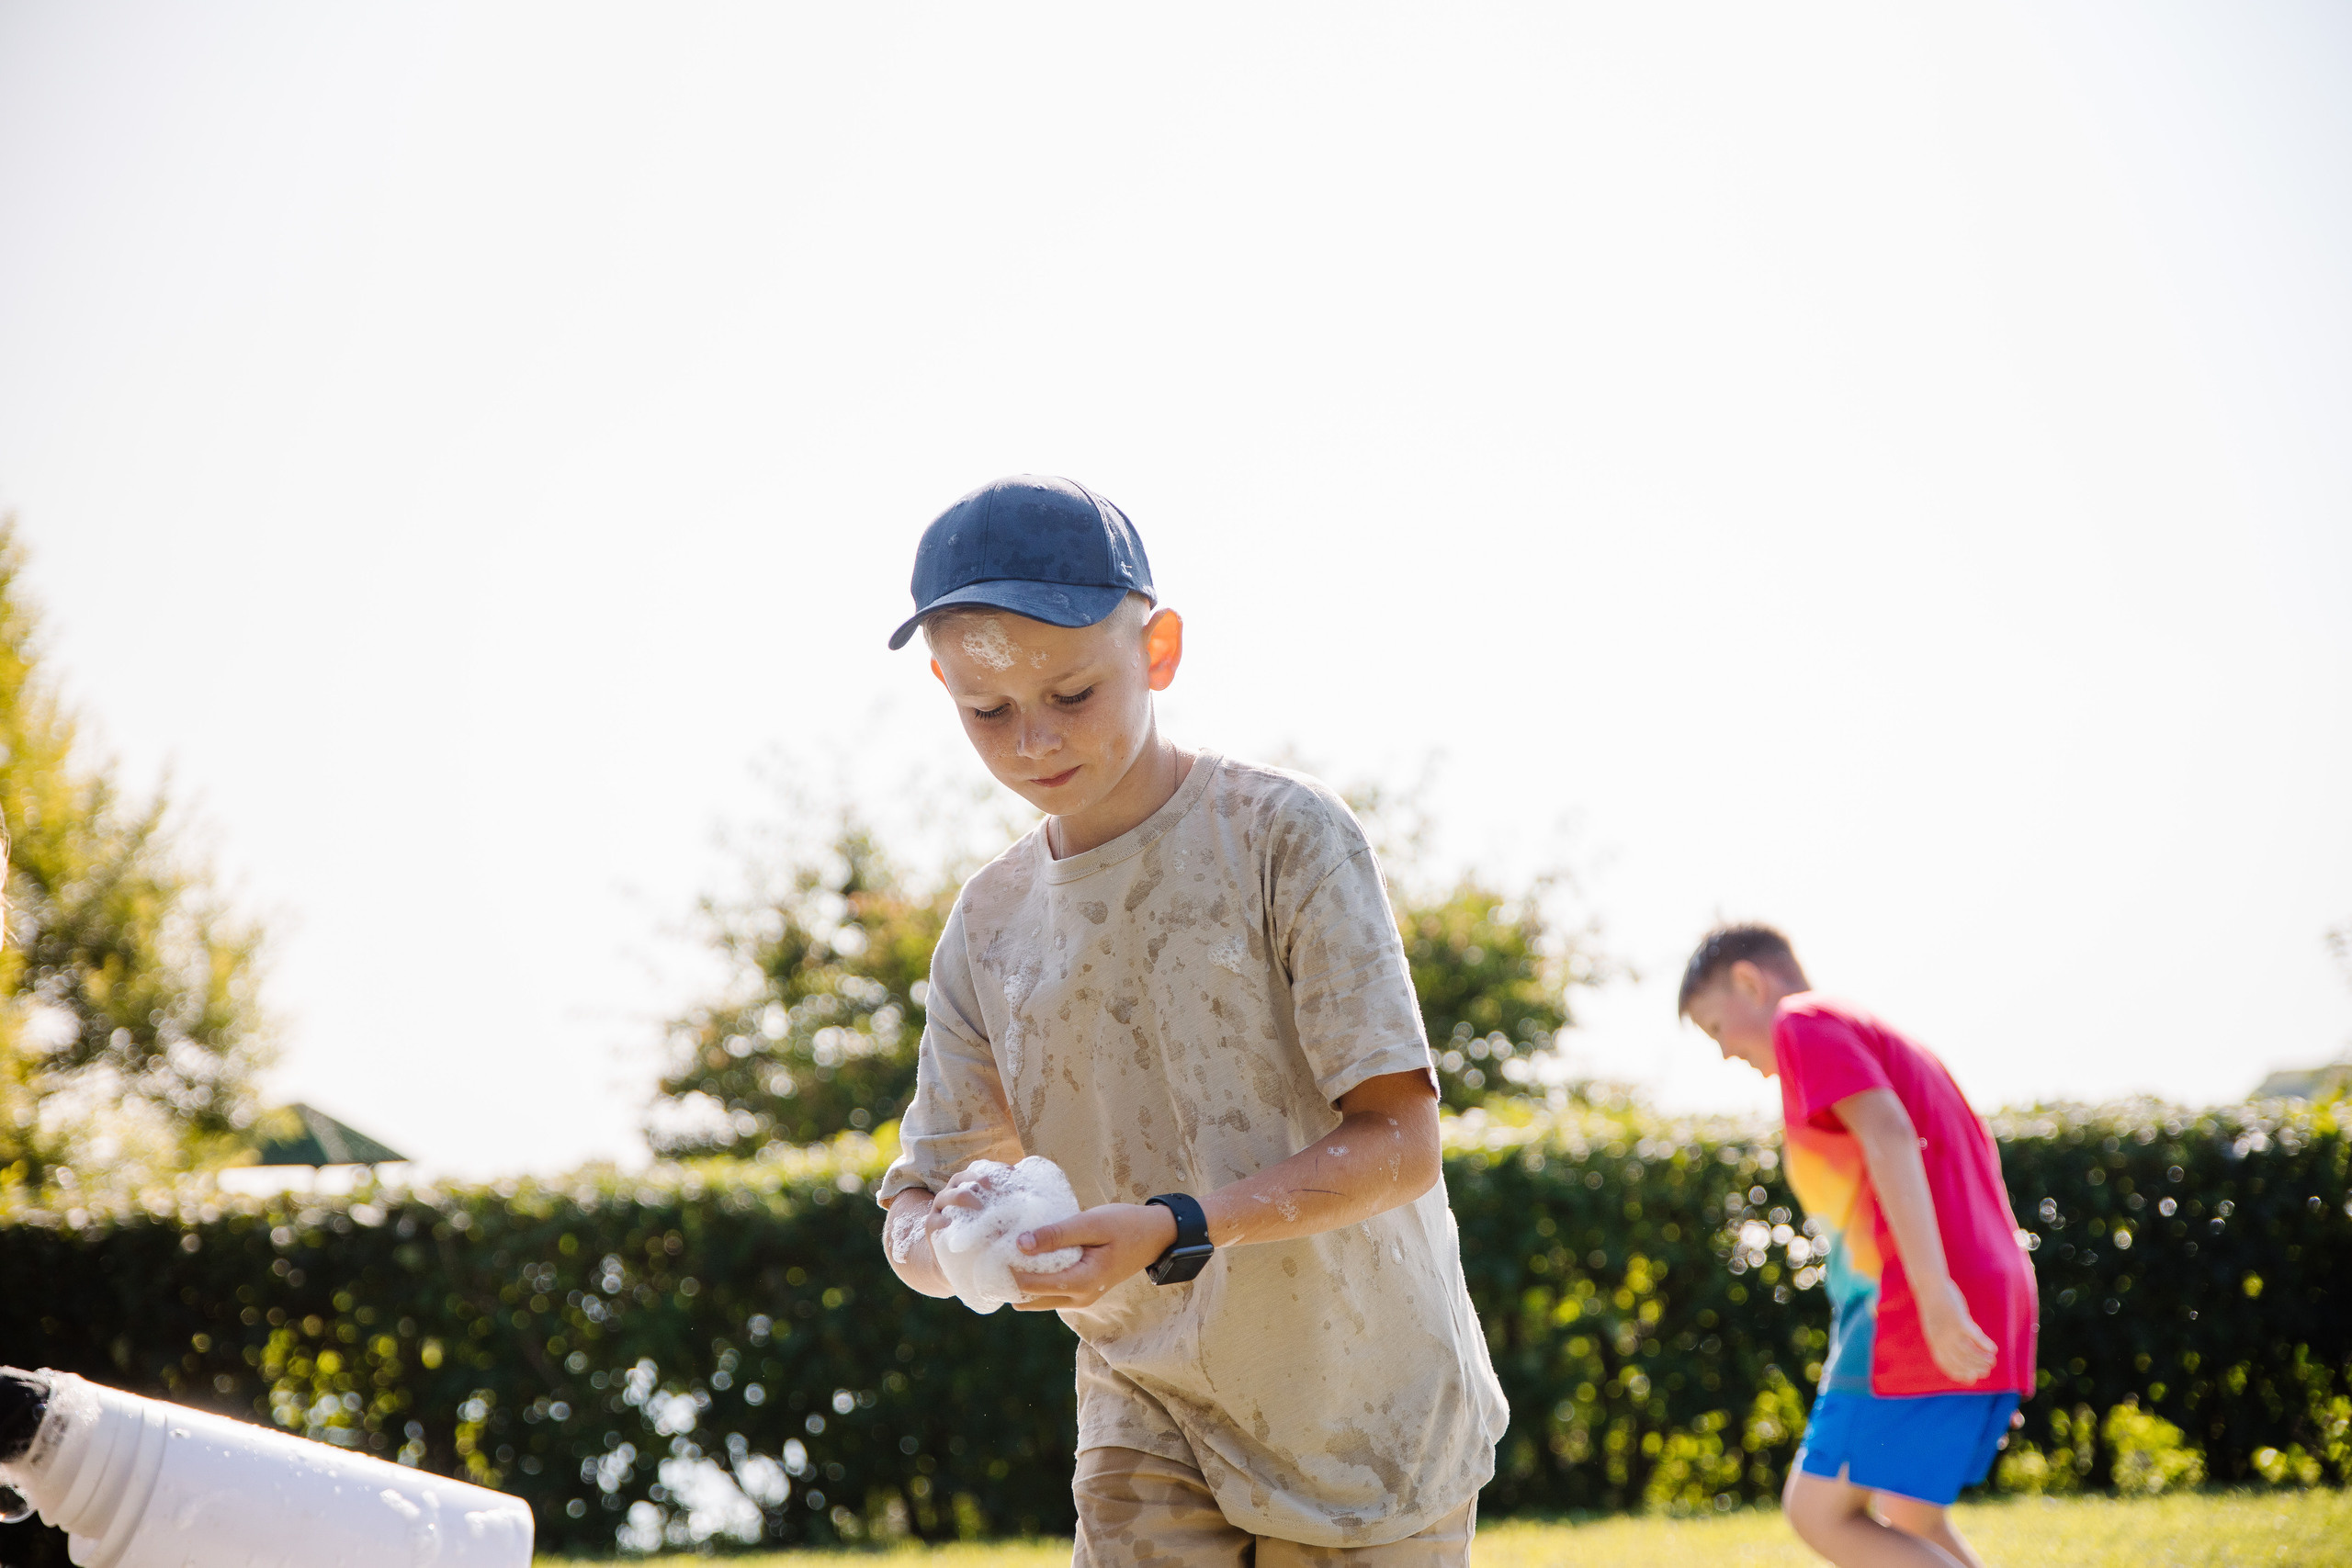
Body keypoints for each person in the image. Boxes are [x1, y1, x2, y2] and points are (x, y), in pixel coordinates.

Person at [873, 475, 1507, 1567]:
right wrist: (959, 1247)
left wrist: (1173, 1226)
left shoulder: (1284, 838)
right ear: (944, 684)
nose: (1032, 741)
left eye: (1072, 693)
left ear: (1157, 650)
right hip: (1143, 1398)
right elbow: (915, 1209)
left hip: (1366, 1409)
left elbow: (1402, 1146)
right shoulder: (988, 922)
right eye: (988, 711)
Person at [1678, 924, 2036, 1568]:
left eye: (1714, 1027)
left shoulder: (1801, 1021)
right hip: (1981, 1290)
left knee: (1818, 1511)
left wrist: (1934, 1296)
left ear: (1748, 982)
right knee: (1910, 1516)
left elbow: (1890, 1132)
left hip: (1908, 1303)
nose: (1726, 1051)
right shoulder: (1882, 1034)